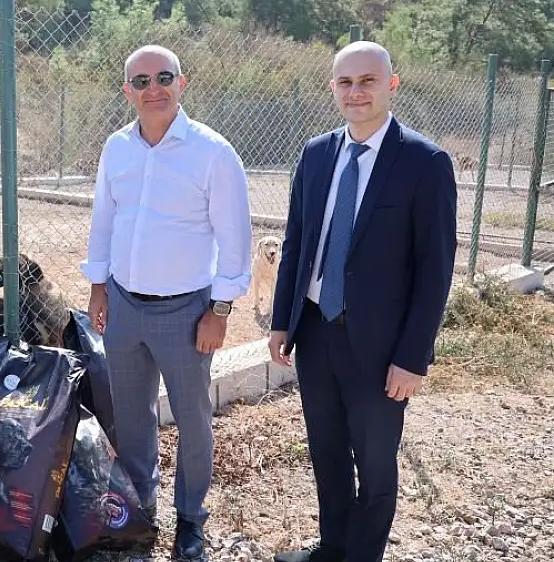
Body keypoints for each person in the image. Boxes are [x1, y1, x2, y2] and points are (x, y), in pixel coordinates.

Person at [268, 41, 457, 562]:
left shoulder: (425, 161)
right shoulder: (316, 154)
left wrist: (412, 357)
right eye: (345, 82)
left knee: (374, 464)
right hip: (316, 330)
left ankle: (362, 556)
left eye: (368, 81)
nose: (356, 92)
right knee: (327, 452)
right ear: (333, 87)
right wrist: (282, 319)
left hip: (381, 345)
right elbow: (297, 241)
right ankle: (332, 549)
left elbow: (435, 271)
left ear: (391, 85)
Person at [80, 44, 252, 562]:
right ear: (126, 90)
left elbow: (235, 239)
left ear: (183, 82)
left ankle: (191, 520)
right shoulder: (117, 147)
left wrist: (219, 311)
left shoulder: (213, 153)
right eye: (140, 81)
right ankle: (141, 510)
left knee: (193, 419)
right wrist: (97, 287)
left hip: (187, 312)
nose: (152, 88)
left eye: (163, 77)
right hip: (125, 307)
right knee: (133, 419)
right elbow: (104, 220)